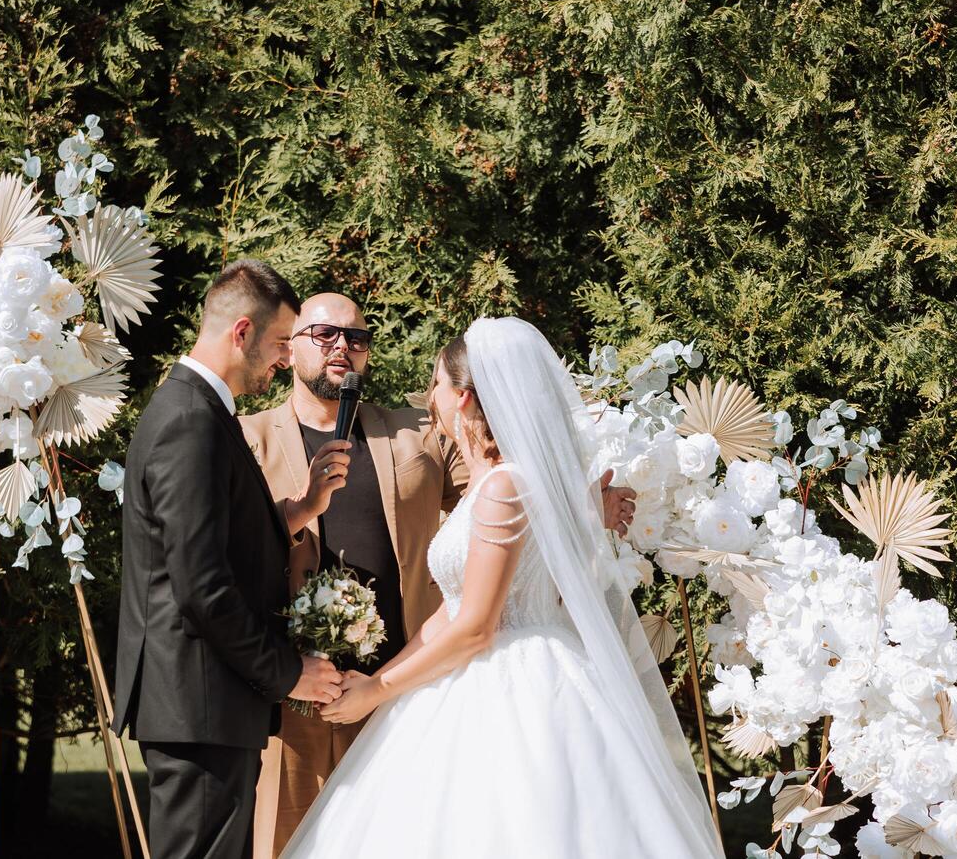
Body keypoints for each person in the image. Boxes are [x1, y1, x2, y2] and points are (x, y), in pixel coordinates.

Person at [280, 317, 724, 859]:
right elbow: (452, 612)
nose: (430, 396)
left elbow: (477, 626)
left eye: (438, 384)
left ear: (464, 398)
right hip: (491, 665)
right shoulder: (499, 485)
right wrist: (381, 678)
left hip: (517, 684)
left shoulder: (502, 487)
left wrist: (381, 691)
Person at [112, 260, 345, 859]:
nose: (285, 361)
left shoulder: (199, 411)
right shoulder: (191, 420)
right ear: (241, 332)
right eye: (278, 344)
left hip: (204, 707)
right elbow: (202, 588)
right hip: (199, 705)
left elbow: (208, 541)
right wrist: (288, 671)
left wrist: (294, 512)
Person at [238, 293, 471, 858]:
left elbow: (498, 489)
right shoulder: (244, 439)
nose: (343, 346)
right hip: (289, 700)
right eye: (324, 334)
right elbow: (220, 558)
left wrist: (584, 501)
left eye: (357, 337)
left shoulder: (420, 433)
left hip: (398, 695)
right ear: (290, 349)